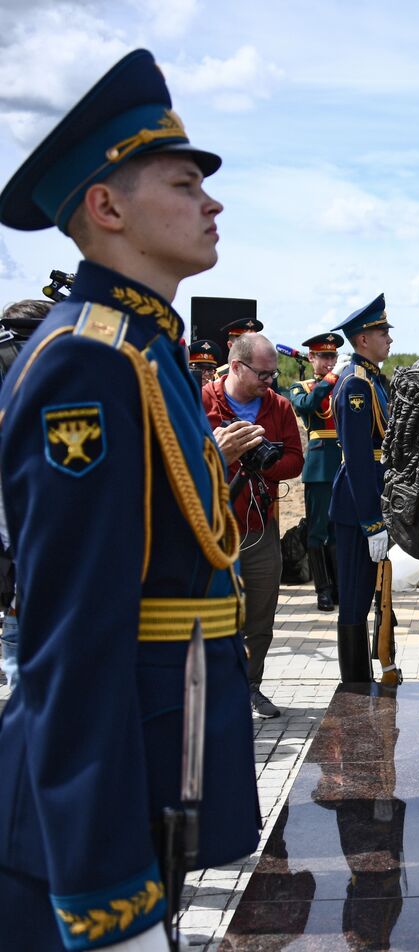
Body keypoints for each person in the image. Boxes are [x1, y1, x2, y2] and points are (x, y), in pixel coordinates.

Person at [0, 48, 258, 950]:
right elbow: (70, 635)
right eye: (185, 183)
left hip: (158, 747)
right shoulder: (90, 361)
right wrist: (105, 895)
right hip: (99, 794)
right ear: (106, 208)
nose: (212, 202)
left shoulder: (145, 353)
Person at [202, 332, 305, 717]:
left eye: (273, 375)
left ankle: (251, 687)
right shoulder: (200, 402)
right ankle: (213, 693)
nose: (270, 382)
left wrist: (263, 463)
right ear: (237, 367)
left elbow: (296, 460)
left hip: (260, 529)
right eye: (263, 375)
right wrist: (220, 454)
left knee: (260, 616)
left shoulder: (277, 407)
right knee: (212, 616)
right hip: (211, 530)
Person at [329, 294, 393, 683]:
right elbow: (356, 458)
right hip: (357, 506)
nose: (389, 339)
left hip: (368, 497)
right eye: (383, 331)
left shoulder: (370, 378)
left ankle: (362, 680)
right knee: (354, 600)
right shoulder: (356, 384)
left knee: (367, 595)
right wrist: (372, 521)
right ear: (363, 338)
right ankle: (353, 687)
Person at [288, 331, 345, 612]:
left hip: (345, 464)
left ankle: (339, 587)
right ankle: (323, 589)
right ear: (311, 358)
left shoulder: (344, 384)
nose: (330, 361)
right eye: (324, 356)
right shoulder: (302, 387)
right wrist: (332, 379)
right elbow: (307, 407)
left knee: (339, 530)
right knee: (318, 531)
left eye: (333, 356)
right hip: (321, 466)